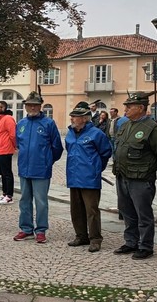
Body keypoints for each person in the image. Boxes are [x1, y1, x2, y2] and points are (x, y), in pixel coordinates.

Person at [112, 91, 157, 260]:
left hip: (141, 179)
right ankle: (131, 242)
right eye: (126, 106)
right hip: (122, 176)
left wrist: (148, 171)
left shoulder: (152, 128)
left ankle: (145, 246)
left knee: (143, 214)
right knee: (127, 212)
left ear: (141, 108)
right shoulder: (126, 125)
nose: (126, 109)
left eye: (130, 106)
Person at [13, 91, 63, 244]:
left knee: (41, 201)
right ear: (26, 107)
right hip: (24, 168)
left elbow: (57, 147)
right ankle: (26, 229)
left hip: (41, 169)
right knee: (24, 200)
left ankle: (41, 230)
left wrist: (47, 160)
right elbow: (18, 144)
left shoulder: (48, 123)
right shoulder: (21, 124)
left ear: (40, 106)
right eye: (29, 105)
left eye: (35, 105)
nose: (32, 107)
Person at [64, 102, 112, 253]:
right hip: (74, 176)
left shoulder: (97, 134)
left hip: (89, 178)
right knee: (76, 209)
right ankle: (81, 236)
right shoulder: (70, 133)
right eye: (72, 116)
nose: (72, 118)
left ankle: (95, 239)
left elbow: (106, 152)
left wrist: (96, 167)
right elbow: (69, 149)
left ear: (85, 118)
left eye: (75, 116)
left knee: (91, 210)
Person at [0, 101, 17, 205]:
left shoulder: (8, 119)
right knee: (2, 173)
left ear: (4, 108)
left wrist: (14, 146)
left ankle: (9, 196)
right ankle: (4, 193)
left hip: (5, 150)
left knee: (7, 174)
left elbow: (13, 134)